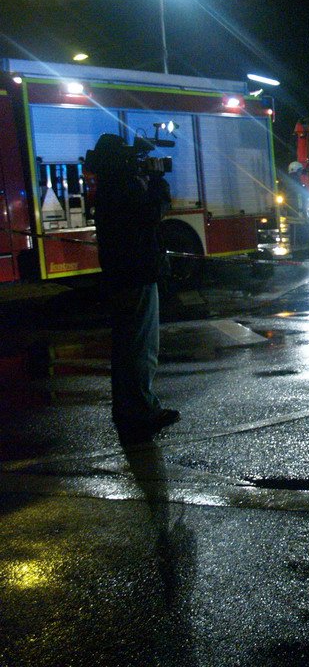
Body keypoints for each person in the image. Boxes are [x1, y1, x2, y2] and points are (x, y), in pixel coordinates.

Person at [87, 133, 179, 443]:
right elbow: (151, 213)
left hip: (121, 273)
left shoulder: (108, 183)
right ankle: (142, 412)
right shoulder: (122, 184)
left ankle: (126, 410)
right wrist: (158, 182)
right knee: (141, 348)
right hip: (136, 273)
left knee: (126, 346)